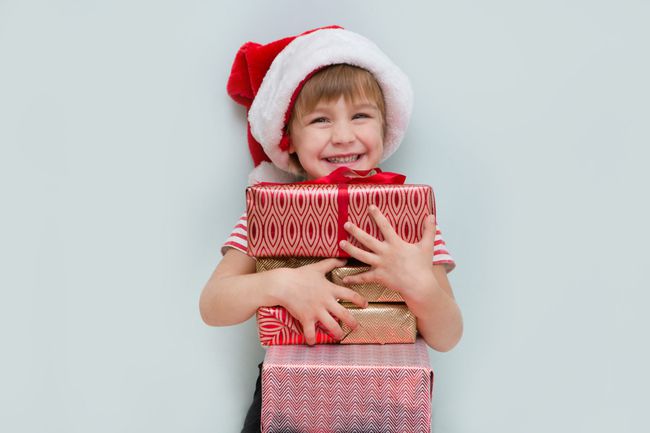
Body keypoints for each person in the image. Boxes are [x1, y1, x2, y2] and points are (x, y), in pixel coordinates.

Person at [199, 26, 463, 433]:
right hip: (287, 404)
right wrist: (282, 284)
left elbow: (448, 335)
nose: (342, 136)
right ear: (289, 140)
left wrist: (420, 286)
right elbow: (213, 304)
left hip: (389, 405)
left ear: (384, 125)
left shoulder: (410, 216)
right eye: (321, 120)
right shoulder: (268, 213)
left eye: (360, 115)